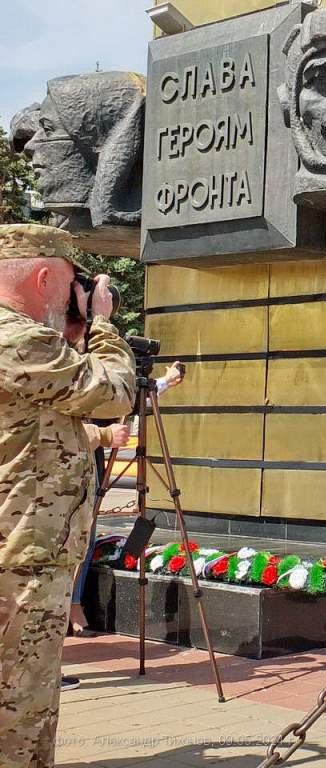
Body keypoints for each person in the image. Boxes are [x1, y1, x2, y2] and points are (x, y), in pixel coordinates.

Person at [0, 223, 136, 767]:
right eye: (69, 283)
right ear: (42, 278)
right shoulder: (18, 340)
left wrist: (74, 329)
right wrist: (103, 325)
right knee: (21, 704)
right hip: (21, 558)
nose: (74, 294)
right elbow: (115, 392)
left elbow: (47, 426)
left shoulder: (30, 344)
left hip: (22, 547)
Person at [68, 362, 184, 637]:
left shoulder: (90, 363)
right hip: (56, 461)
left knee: (85, 531)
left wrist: (162, 383)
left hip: (88, 456)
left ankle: (73, 603)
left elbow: (118, 402)